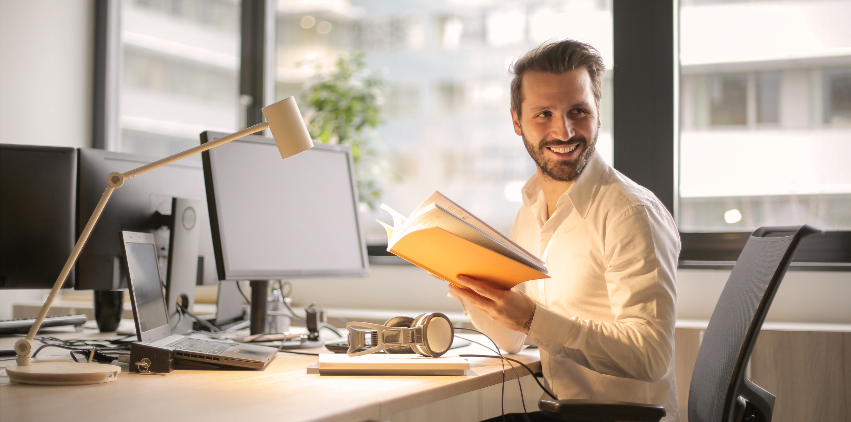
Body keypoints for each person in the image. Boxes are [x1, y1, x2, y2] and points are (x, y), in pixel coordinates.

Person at [449, 39, 681, 422]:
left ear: (597, 113)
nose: (564, 130)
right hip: (566, 412)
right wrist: (462, 280)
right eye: (543, 114)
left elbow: (651, 355)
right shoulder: (531, 208)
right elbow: (511, 339)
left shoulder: (630, 212)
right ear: (516, 121)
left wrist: (532, 319)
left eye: (578, 111)